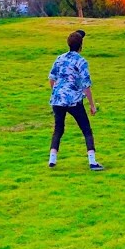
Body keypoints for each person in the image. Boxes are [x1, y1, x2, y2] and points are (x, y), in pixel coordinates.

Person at [47, 29, 103, 170]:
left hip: (58, 100)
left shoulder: (59, 58)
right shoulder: (81, 61)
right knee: (86, 130)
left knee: (58, 129)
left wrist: (57, 92)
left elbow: (51, 78)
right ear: (81, 46)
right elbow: (86, 85)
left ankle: (52, 159)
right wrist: (92, 105)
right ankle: (92, 161)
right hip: (74, 100)